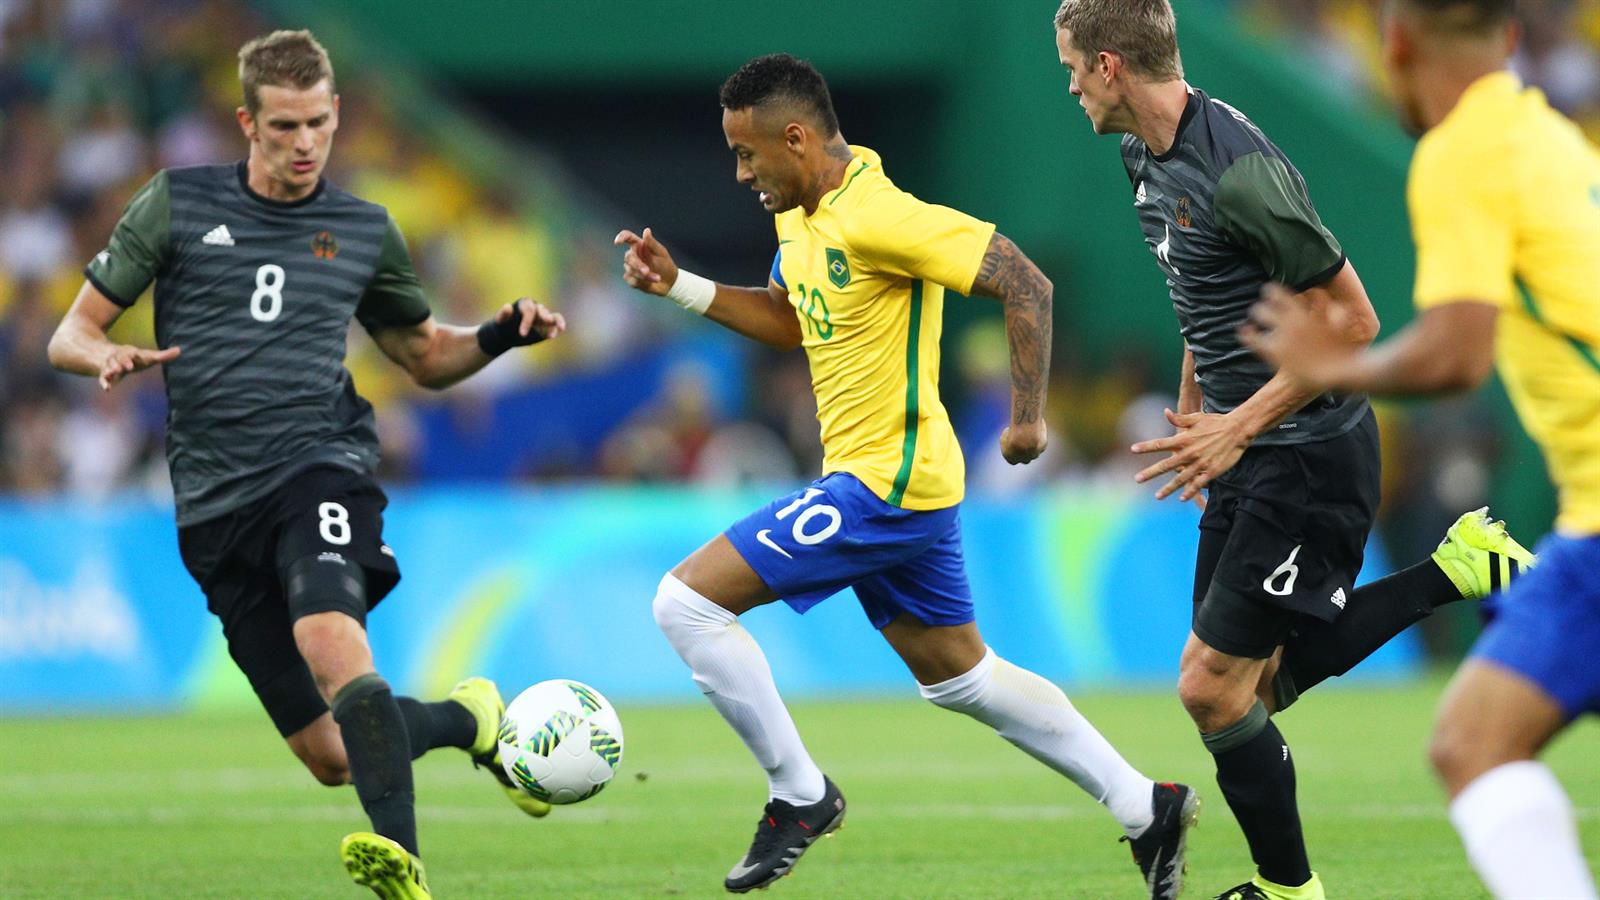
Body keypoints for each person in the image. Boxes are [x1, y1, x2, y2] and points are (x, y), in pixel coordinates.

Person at [616, 53, 1197, 898]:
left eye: (747, 154)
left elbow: (1025, 282)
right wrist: (681, 287)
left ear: (796, 138)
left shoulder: (881, 214)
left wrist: (1027, 417)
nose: (740, 174)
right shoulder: (800, 215)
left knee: (686, 603)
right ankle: (1146, 806)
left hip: (883, 486)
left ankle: (799, 795)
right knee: (963, 679)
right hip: (897, 487)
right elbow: (791, 318)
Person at [45, 30, 562, 900]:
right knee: (330, 755)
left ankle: (403, 861)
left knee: (330, 638)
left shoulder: (363, 228)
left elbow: (424, 356)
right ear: (248, 122)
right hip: (212, 506)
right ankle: (471, 718)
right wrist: (101, 354)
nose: (303, 142)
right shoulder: (176, 203)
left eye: (318, 123)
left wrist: (499, 335)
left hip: (319, 465)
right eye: (283, 125)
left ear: (335, 116)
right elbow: (70, 331)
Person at [1049, 2, 1534, 898]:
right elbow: (1201, 287)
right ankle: (1459, 568)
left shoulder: (1239, 172)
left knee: (1211, 689)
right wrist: (1197, 410)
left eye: (1075, 68)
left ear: (1110, 66)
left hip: (1309, 449)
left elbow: (1354, 320)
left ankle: (1290, 891)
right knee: (1248, 690)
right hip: (1245, 445)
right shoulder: (1142, 154)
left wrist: (1236, 425)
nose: (1071, 86)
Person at [1242, 1, 1600, 896]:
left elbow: (1455, 354)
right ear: (1509, 38)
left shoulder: (1461, 152)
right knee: (1472, 740)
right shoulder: (1553, 138)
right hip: (1587, 516)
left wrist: (1338, 367)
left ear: (1395, 44)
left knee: (1473, 744)